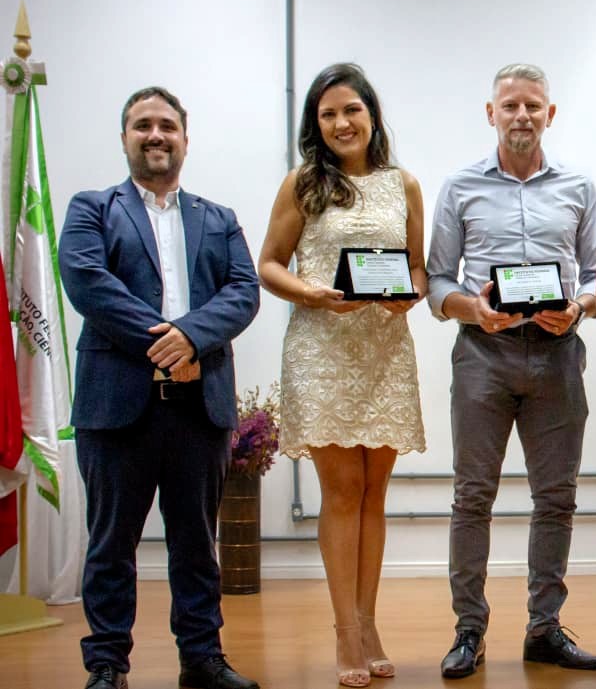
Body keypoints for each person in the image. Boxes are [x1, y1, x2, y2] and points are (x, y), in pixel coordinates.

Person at [59, 87, 261, 689]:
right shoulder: (92, 208)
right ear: (124, 137)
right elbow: (88, 282)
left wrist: (191, 336)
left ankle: (201, 659)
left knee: (197, 545)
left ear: (184, 138)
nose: (155, 135)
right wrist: (167, 340)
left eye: (167, 126)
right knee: (110, 545)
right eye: (142, 125)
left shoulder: (218, 218)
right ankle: (106, 666)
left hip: (198, 408)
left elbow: (243, 291)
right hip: (116, 405)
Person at [426, 63, 596, 679]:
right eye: (511, 106)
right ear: (491, 113)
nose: (522, 116)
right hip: (483, 353)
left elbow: (594, 276)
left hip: (557, 353)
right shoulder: (460, 186)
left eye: (534, 106)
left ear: (549, 114)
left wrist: (579, 308)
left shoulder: (579, 187)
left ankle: (544, 628)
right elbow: (438, 278)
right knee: (471, 497)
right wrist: (470, 307)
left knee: (555, 499)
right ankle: (469, 631)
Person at [257, 63, 427, 687]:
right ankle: (344, 632)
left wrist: (410, 294)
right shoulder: (302, 183)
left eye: (351, 110)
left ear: (372, 115)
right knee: (341, 492)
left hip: (384, 350)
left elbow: (418, 269)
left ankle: (369, 618)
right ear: (316, 125)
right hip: (322, 348)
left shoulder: (402, 183)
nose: (341, 123)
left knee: (375, 492)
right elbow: (268, 265)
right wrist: (311, 291)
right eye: (327, 114)